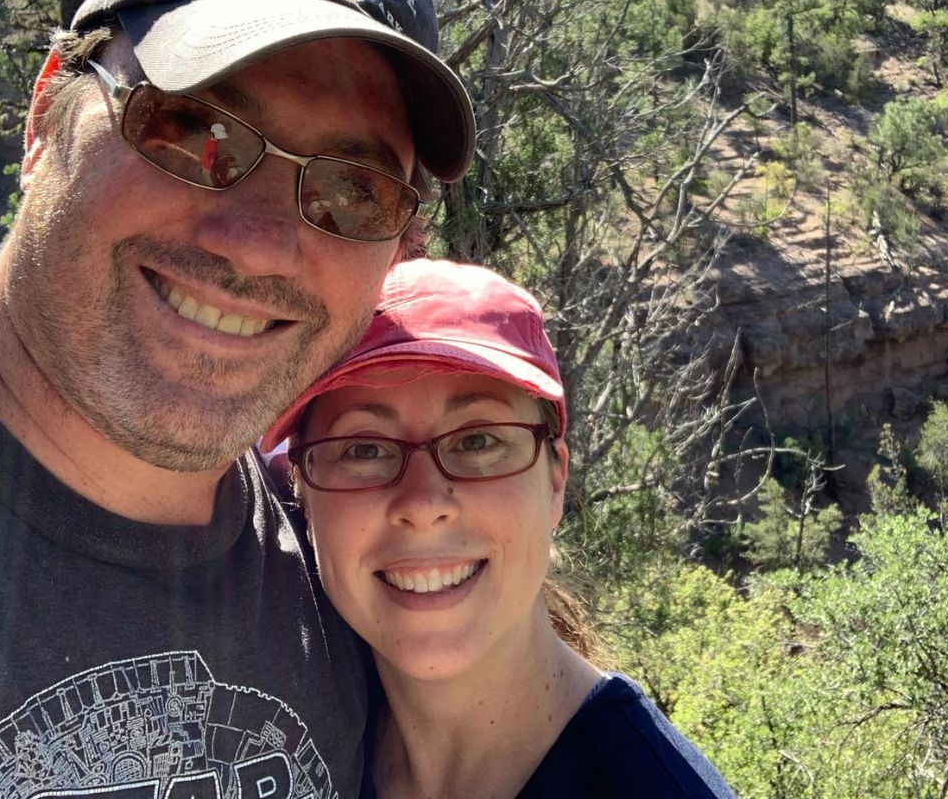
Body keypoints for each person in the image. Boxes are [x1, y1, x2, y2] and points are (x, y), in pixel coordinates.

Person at [0, 0, 475, 797]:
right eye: (192, 128)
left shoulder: (347, 593)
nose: (257, 241)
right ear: (46, 115)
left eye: (355, 192)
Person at [261, 259, 736, 798]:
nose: (421, 503)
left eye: (477, 441)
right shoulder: (292, 741)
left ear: (555, 480)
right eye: (364, 448)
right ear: (302, 490)